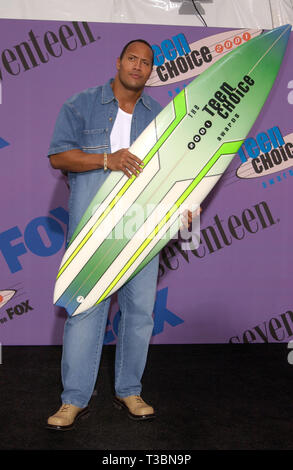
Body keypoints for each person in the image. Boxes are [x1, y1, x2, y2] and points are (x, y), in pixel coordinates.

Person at [46, 39, 197, 431]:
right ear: (118, 62)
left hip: (141, 231)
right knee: (83, 312)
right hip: (92, 231)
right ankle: (73, 400)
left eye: (146, 63)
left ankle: (129, 390)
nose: (138, 66)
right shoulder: (81, 104)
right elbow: (58, 155)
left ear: (150, 72)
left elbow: (172, 172)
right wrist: (105, 160)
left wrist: (184, 203)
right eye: (133, 58)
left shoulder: (161, 117)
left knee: (139, 314)